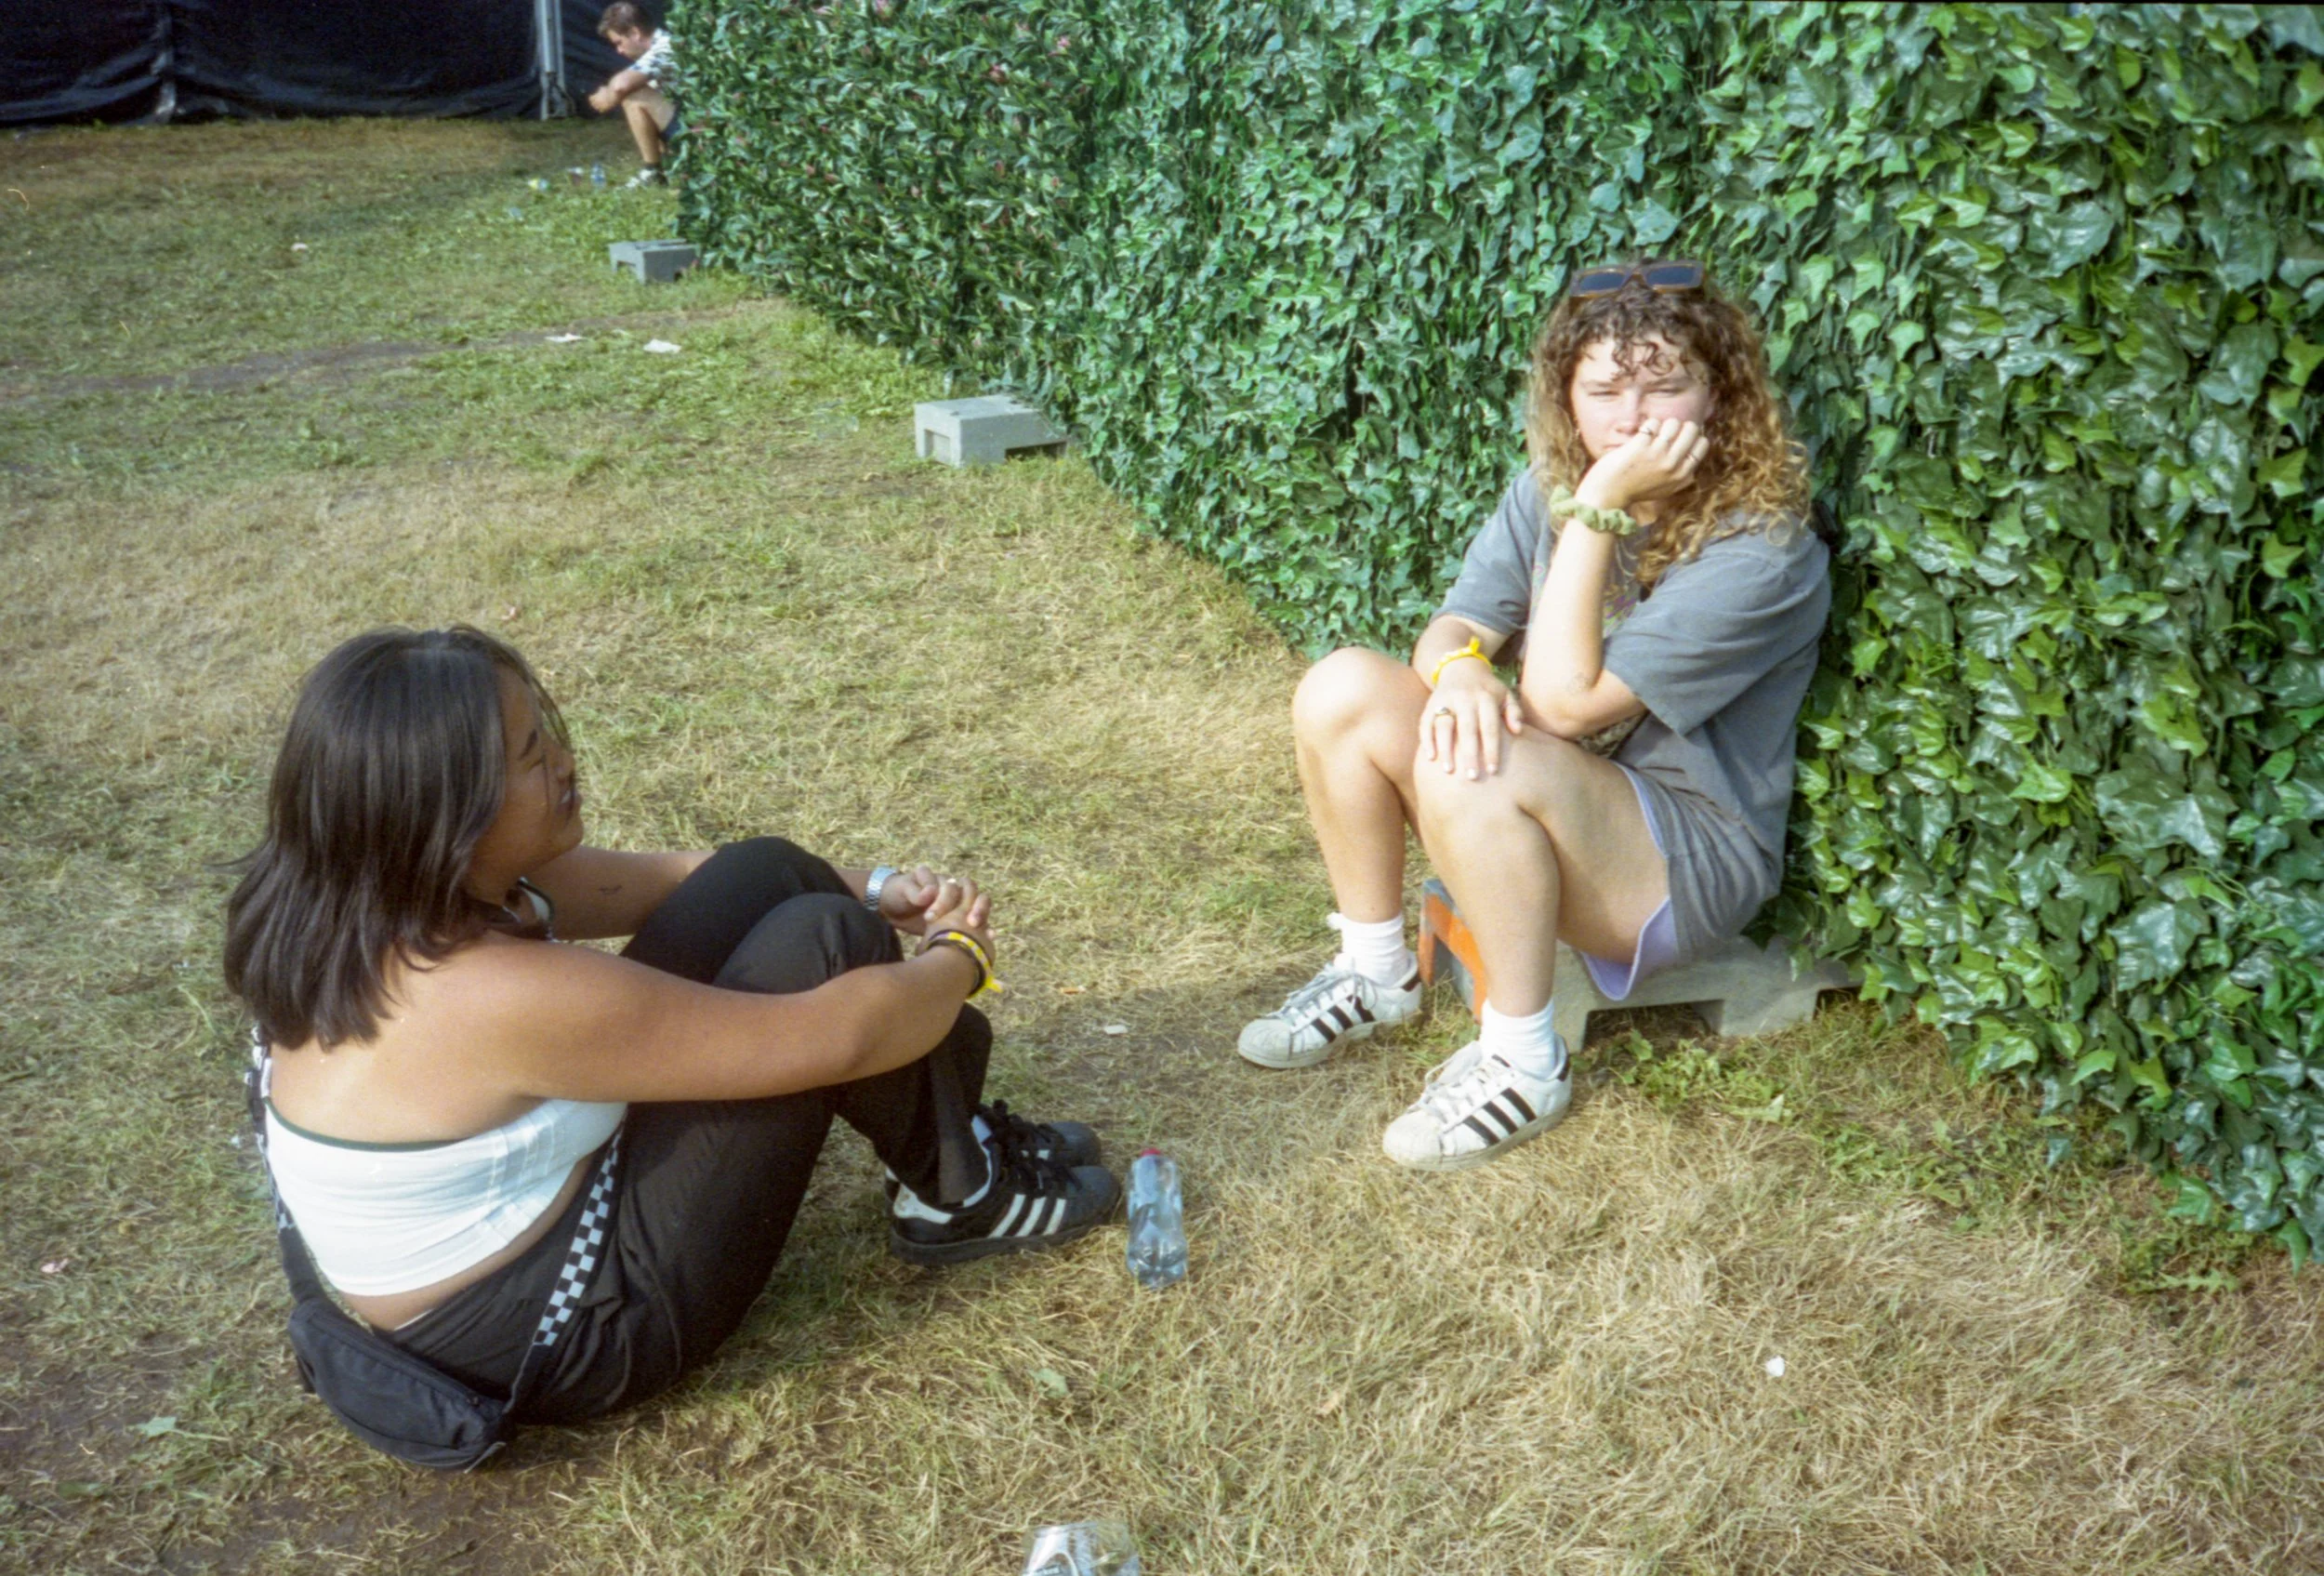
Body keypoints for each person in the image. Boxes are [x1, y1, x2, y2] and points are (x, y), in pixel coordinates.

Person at [224, 627, 1117, 1426]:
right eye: (535, 754)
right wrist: (959, 955)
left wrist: (872, 884)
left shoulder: (360, 898)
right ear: (450, 814)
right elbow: (834, 1038)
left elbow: (660, 879)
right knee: (828, 946)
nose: (568, 763)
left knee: (765, 874)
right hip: (561, 1334)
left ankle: (951, 1150)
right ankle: (963, 1197)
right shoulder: (493, 992)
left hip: (476, 1276)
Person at [1238, 258, 1830, 1172]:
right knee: (1346, 687)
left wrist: (1596, 509)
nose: (1632, 419)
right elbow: (1450, 631)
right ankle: (1375, 969)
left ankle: (1523, 1061)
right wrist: (1468, 671)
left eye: (1665, 385)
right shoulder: (1545, 489)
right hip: (1567, 798)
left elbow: (1558, 705)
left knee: (1474, 758)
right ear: (1567, 399)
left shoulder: (1764, 545)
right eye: (1603, 392)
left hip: (1684, 862)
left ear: (1720, 395)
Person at [588, 3, 679, 189]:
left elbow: (622, 85)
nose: (619, 51)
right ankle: (667, 165)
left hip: (700, 131)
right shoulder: (660, 48)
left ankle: (653, 171)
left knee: (635, 96)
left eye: (619, 42)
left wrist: (608, 96)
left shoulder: (665, 48)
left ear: (635, 33)